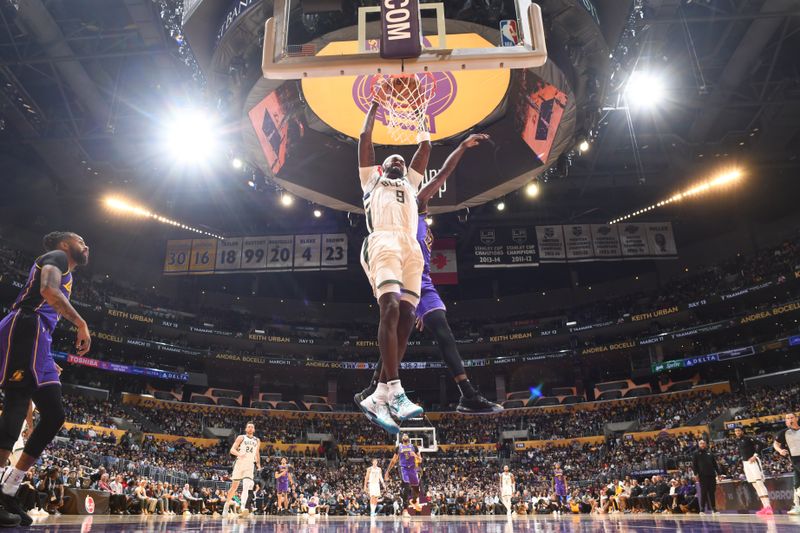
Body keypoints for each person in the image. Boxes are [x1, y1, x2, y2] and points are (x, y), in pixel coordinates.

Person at [355, 133, 503, 414]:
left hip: (421, 278)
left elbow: (442, 174)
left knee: (432, 327)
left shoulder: (417, 213)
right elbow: (440, 175)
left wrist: (461, 147)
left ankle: (463, 394)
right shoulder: (409, 197)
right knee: (394, 315)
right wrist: (457, 147)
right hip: (393, 260)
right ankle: (377, 389)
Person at [0, 231, 90, 527]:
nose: (85, 245)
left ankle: (9, 488)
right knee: (16, 404)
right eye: (80, 240)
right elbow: (50, 291)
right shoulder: (57, 257)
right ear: (65, 244)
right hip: (26, 327)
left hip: (41, 340)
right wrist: (81, 323)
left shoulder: (66, 268)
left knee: (54, 415)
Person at [356, 84, 431, 434]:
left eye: (401, 160)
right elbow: (364, 137)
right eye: (392, 160)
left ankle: (379, 395)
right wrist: (376, 102)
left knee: (406, 316)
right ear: (383, 168)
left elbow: (426, 147)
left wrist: (418, 115)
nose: (398, 161)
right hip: (383, 239)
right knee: (388, 307)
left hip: (411, 248)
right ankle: (397, 390)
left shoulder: (413, 186)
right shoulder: (372, 181)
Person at [223, 422, 261, 517]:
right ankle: (226, 505)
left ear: (254, 429)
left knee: (246, 486)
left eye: (252, 427)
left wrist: (258, 464)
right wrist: (240, 454)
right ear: (246, 429)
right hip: (239, 463)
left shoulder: (257, 440)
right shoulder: (241, 437)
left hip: (250, 465)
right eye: (249, 426)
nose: (251, 428)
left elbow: (257, 453)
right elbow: (232, 450)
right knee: (234, 488)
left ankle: (242, 507)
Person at [733, 427, 773, 515]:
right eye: (736, 431)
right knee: (755, 485)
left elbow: (762, 444)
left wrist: (755, 455)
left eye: (739, 430)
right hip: (746, 464)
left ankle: (768, 506)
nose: (737, 432)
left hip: (753, 462)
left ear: (742, 431)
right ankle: (764, 507)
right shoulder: (737, 441)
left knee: (759, 483)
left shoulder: (748, 438)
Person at [386, 434, 422, 513]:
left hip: (412, 469)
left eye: (406, 435)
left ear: (408, 438)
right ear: (402, 439)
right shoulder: (398, 447)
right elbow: (393, 461)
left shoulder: (414, 447)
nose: (405, 436)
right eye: (403, 435)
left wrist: (415, 455)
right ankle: (405, 509)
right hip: (403, 468)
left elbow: (420, 460)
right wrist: (387, 471)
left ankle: (414, 501)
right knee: (407, 484)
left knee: (417, 489)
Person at [773, 412, 800, 515]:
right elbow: (775, 444)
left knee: (796, 484)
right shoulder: (784, 433)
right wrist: (780, 451)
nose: (789, 419)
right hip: (795, 460)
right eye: (787, 418)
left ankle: (797, 506)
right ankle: (797, 506)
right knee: (796, 485)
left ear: (796, 418)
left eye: (791, 417)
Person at [692, 439, 721, 515]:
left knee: (712, 492)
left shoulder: (710, 453)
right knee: (704, 492)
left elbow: (715, 464)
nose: (702, 445)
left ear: (705, 444)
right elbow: (694, 465)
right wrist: (696, 474)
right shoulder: (696, 453)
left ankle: (714, 509)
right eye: (701, 443)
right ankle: (702, 509)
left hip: (711, 475)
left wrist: (719, 473)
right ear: (698, 444)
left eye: (703, 443)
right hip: (702, 476)